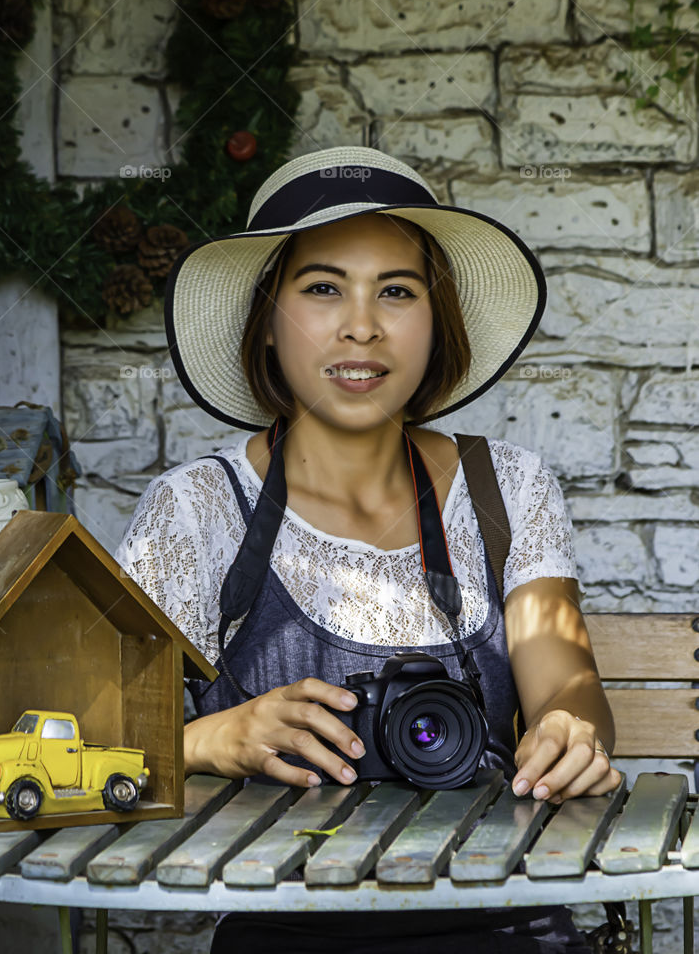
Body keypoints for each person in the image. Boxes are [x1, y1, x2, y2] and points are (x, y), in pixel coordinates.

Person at [115, 145, 621, 954]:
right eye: (322, 288)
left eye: (396, 290)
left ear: (435, 321)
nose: (362, 324)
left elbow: (565, 679)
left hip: (506, 916)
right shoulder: (195, 512)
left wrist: (570, 731)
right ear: (268, 322)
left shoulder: (507, 488)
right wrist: (209, 741)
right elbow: (97, 750)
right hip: (283, 925)